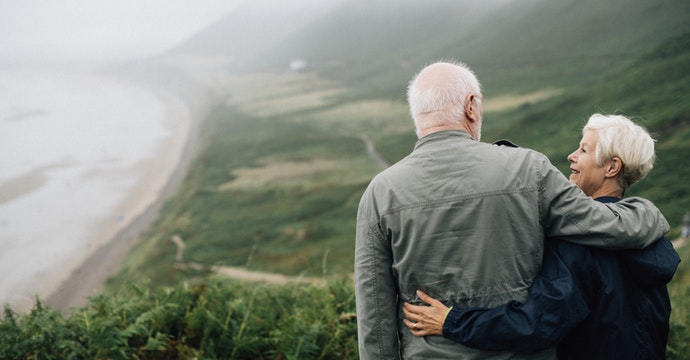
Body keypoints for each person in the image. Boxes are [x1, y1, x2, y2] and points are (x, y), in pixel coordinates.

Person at [354, 61, 670, 360]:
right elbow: (605, 225)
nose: (574, 157)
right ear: (471, 105)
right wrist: (650, 213)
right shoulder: (528, 169)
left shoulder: (379, 193)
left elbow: (375, 318)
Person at [402, 114, 681, 359]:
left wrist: (452, 321)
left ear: (612, 167)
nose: (572, 156)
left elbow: (536, 325)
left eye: (584, 150)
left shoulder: (580, 244)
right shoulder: (651, 239)